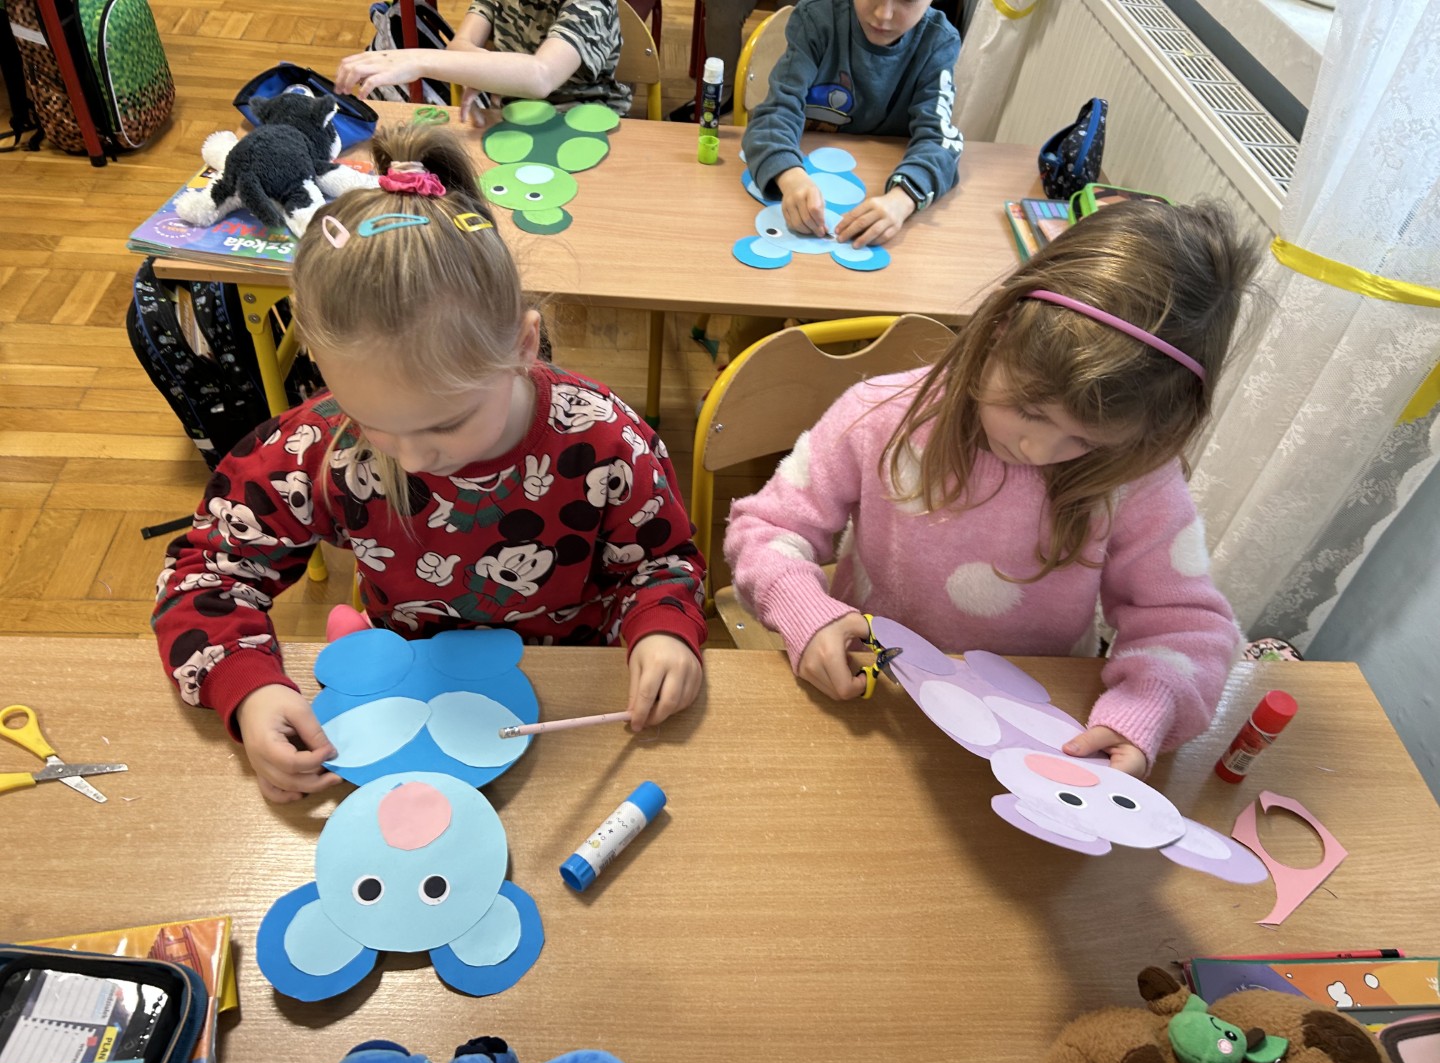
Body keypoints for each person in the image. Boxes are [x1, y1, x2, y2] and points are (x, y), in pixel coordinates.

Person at [153, 125, 704, 803]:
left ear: (523, 344)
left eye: (446, 424)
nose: (412, 456)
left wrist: (661, 629)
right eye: (374, 422)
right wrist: (248, 689)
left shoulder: (605, 440)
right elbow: (207, 572)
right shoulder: (322, 444)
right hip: (406, 704)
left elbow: (660, 565)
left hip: (568, 703)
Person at [724, 200, 1260, 777]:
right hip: (880, 693)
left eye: (1085, 440)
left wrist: (1144, 708)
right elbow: (768, 526)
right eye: (1029, 410)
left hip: (1036, 723)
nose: (1039, 450)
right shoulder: (880, 416)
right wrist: (804, 609)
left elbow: (1186, 623)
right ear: (998, 332)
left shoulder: (1136, 477)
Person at [741, 0, 963, 250]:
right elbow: (775, 113)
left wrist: (903, 199)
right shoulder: (815, 18)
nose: (883, 14)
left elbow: (940, 141)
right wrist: (790, 177)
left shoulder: (938, 42)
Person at [333, 0, 631, 118]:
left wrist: (419, 60)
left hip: (585, 121)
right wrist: (487, 69)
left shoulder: (592, 4)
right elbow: (460, 45)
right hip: (516, 116)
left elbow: (541, 75)